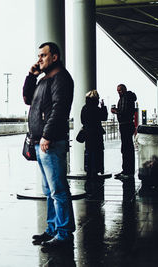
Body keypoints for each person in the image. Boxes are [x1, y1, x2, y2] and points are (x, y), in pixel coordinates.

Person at [22, 42, 75, 248]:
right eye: (38, 56)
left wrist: (47, 135)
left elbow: (59, 109)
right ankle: (53, 229)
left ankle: (64, 233)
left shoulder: (61, 78)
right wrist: (31, 75)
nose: (39, 59)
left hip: (50, 141)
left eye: (43, 55)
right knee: (48, 190)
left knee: (58, 189)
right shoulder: (44, 79)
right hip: (41, 142)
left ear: (54, 57)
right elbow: (28, 99)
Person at [80, 90, 107, 196]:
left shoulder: (84, 108)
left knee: (89, 151)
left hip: (87, 132)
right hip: (96, 133)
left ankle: (89, 171)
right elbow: (103, 117)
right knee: (97, 152)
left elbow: (82, 120)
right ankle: (95, 171)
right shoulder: (97, 108)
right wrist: (103, 107)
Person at [111, 84, 137, 180]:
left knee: (126, 149)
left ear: (124, 90)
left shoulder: (125, 98)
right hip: (128, 124)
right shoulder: (128, 97)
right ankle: (126, 170)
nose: (119, 92)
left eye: (120, 90)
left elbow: (124, 112)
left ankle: (127, 171)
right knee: (127, 148)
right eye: (118, 90)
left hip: (125, 124)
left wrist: (115, 111)